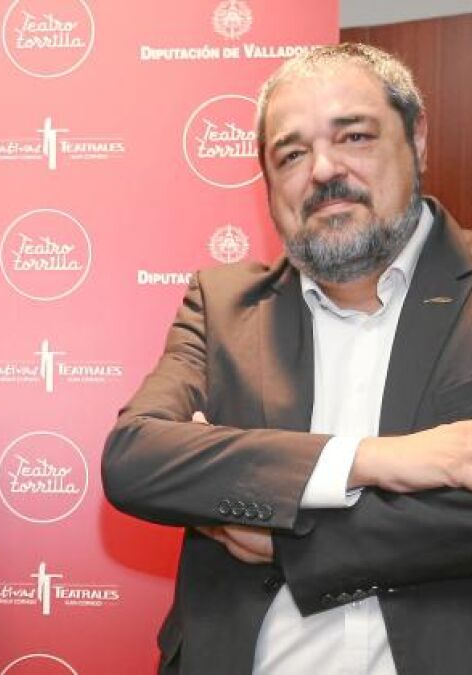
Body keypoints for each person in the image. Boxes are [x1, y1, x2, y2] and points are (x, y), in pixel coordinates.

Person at [103, 43, 472, 674]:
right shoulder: (222, 306)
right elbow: (136, 460)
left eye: (354, 136)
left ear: (416, 140)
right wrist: (373, 459)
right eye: (292, 153)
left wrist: (288, 540)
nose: (324, 169)